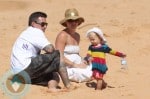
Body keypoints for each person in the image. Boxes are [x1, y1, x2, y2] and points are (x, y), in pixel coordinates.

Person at [10, 11, 75, 92]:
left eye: (46, 24)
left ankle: (52, 88)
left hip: (19, 75)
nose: (44, 27)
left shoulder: (25, 33)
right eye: (42, 24)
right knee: (57, 55)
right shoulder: (34, 31)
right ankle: (68, 85)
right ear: (33, 24)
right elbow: (50, 49)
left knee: (53, 74)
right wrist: (52, 57)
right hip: (25, 67)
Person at [55, 8, 92, 83]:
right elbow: (59, 57)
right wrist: (75, 65)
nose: (73, 23)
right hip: (66, 67)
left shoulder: (77, 36)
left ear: (78, 22)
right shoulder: (62, 35)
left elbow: (75, 54)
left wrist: (84, 60)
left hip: (78, 64)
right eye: (70, 21)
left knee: (96, 67)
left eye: (76, 21)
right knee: (87, 74)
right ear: (66, 22)